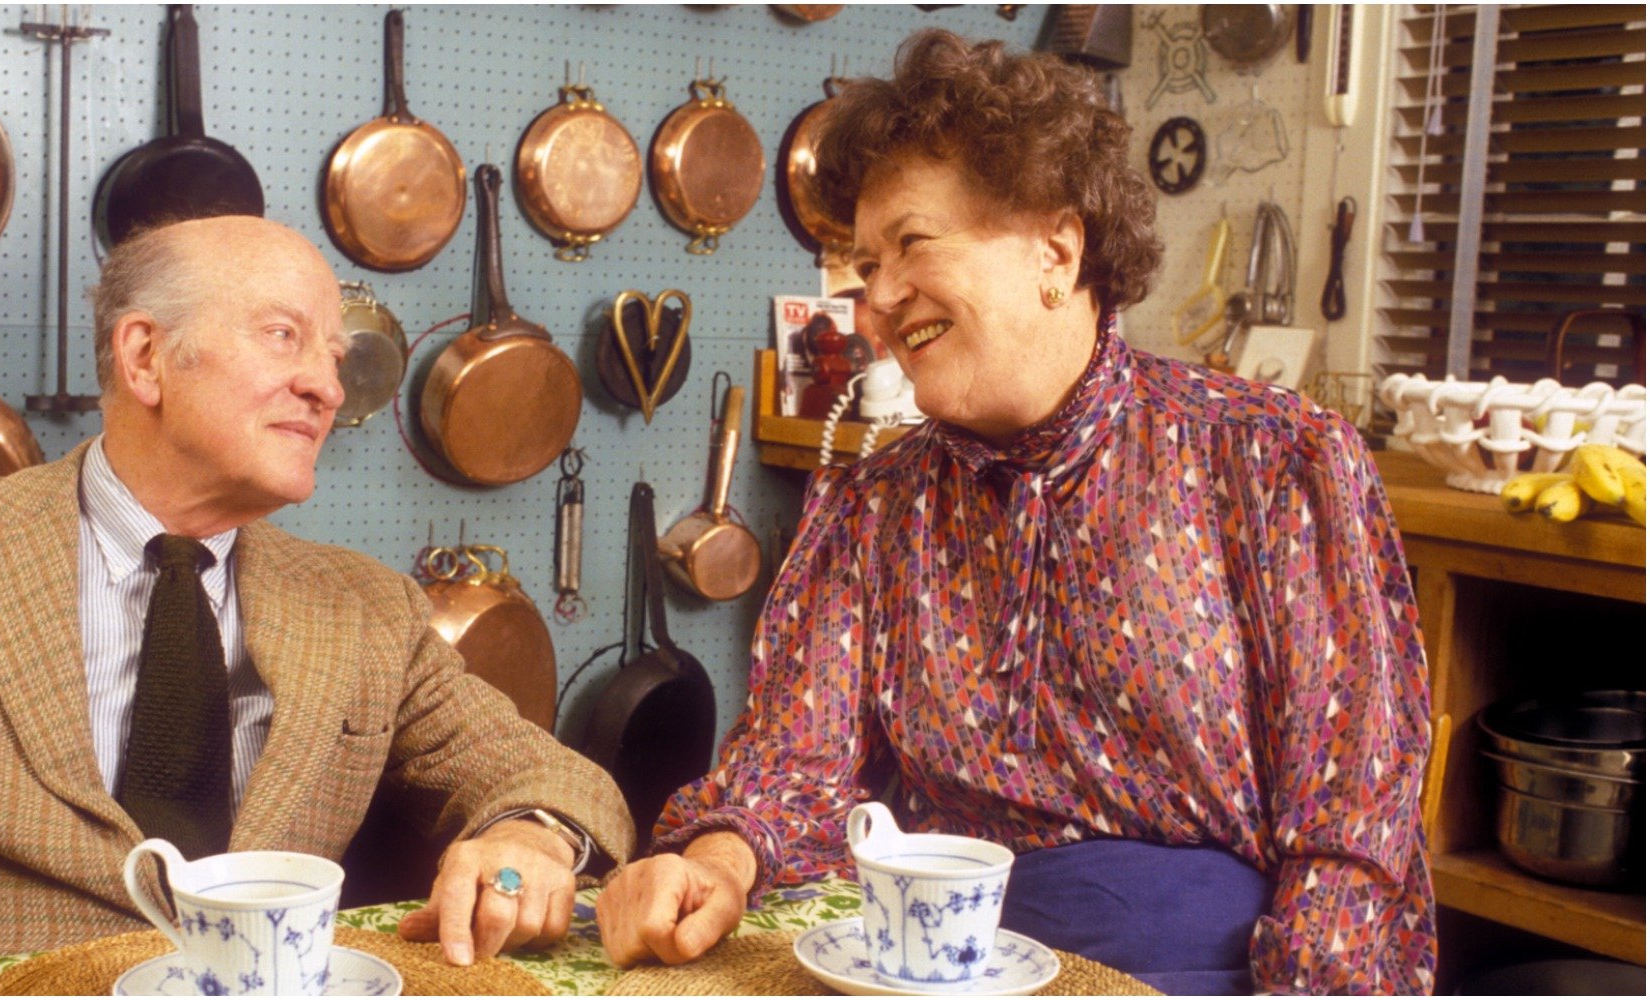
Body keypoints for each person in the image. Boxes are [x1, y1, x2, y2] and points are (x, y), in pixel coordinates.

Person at [596, 31, 1436, 995]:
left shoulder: (1274, 460)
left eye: (911, 243)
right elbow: (791, 758)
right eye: (864, 266)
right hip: (956, 968)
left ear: (1058, 248)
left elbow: (1351, 832)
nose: (875, 304)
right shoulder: (874, 504)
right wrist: (714, 864)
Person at [0, 216, 633, 995]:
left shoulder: (366, 606)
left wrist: (528, 837)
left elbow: (543, 775)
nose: (326, 385)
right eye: (284, 336)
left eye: (334, 356)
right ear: (143, 357)